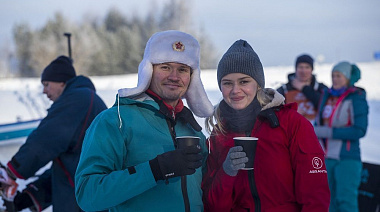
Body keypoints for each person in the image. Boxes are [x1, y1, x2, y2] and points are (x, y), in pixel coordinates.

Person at [75, 30, 214, 212]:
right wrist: (154, 170)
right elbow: (88, 195)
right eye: (165, 67)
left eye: (182, 69)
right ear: (148, 71)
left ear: (191, 78)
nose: (174, 76)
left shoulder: (192, 130)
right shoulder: (115, 121)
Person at [201, 40, 330, 211]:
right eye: (227, 83)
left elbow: (315, 196)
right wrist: (227, 172)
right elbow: (214, 206)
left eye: (244, 81)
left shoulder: (291, 123)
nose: (235, 90)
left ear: (258, 84)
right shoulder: (219, 135)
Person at [0, 55, 107, 212]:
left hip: (86, 203)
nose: (44, 91)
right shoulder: (82, 99)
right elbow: (67, 169)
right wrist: (31, 196)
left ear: (62, 82)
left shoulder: (77, 100)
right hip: (86, 198)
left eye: (47, 84)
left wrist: (12, 170)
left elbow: (44, 141)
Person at [314, 61, 368, 212]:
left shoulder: (356, 97)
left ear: (348, 78)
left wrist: (328, 132)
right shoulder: (327, 96)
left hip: (347, 158)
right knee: (328, 202)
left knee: (346, 202)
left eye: (339, 76)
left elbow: (360, 130)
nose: (335, 79)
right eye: (333, 75)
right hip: (326, 157)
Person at [277, 54, 327, 122]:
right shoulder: (284, 89)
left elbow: (325, 105)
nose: (303, 71)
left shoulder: (321, 88)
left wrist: (305, 89)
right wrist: (290, 112)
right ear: (296, 69)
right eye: (301, 67)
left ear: (312, 69)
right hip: (292, 129)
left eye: (307, 67)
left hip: (316, 130)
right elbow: (275, 111)